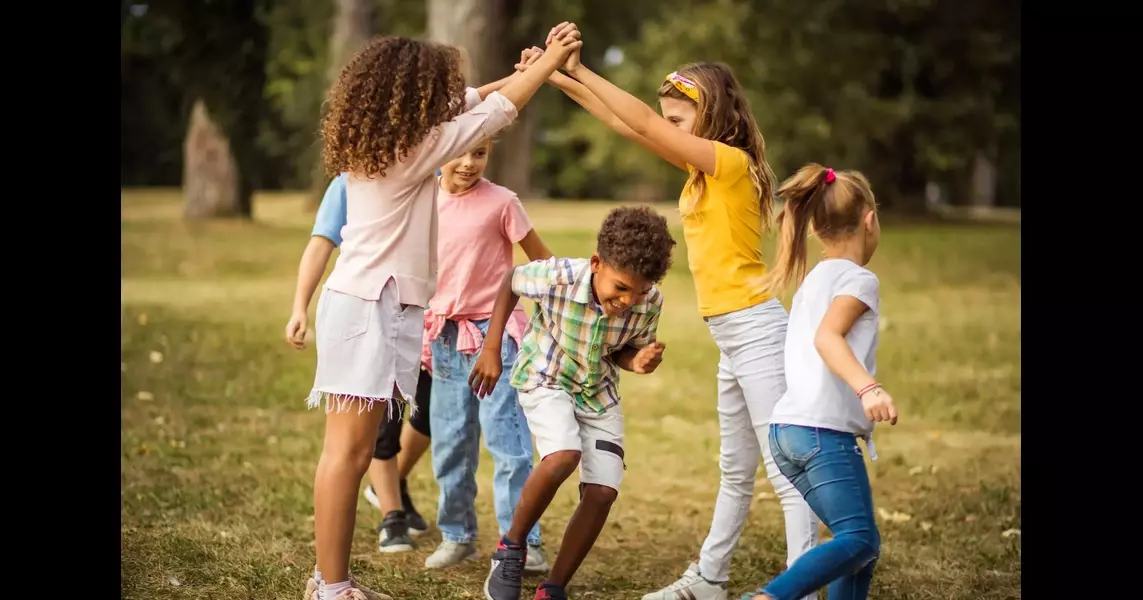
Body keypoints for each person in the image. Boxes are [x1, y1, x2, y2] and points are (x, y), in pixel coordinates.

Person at [525, 34, 820, 600]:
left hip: (756, 329)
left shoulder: (730, 163)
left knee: (785, 473)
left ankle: (800, 587)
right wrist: (557, 79)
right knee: (736, 471)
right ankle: (710, 579)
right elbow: (629, 126)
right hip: (734, 335)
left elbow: (638, 119)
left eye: (678, 120)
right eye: (668, 120)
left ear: (709, 115)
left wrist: (581, 66)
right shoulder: (702, 170)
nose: (667, 127)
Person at [302, 27, 583, 600]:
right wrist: (552, 60)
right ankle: (331, 587)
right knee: (347, 453)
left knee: (350, 452)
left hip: (372, 305)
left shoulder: (388, 139)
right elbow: (498, 109)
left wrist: (533, 70)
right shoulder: (413, 151)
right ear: (413, 99)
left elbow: (480, 98)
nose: (449, 100)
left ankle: (329, 581)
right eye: (437, 92)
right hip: (368, 308)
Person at [471, 205, 677, 600]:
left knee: (602, 492)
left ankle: (553, 588)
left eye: (640, 290)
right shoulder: (559, 276)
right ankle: (511, 548)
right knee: (563, 454)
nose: (629, 300)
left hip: (597, 392)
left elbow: (622, 351)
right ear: (597, 263)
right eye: (621, 288)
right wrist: (492, 347)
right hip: (546, 376)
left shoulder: (650, 301)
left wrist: (637, 361)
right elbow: (511, 280)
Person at [737, 164, 896, 600]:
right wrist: (869, 387)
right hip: (822, 436)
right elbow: (829, 338)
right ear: (869, 220)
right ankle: (769, 597)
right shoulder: (860, 280)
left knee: (859, 545)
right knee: (858, 539)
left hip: (787, 433)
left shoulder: (813, 280)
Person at [421, 135, 555, 573]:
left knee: (508, 444)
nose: (468, 163)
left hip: (495, 337)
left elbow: (541, 263)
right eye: (460, 151)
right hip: (443, 336)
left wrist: (556, 319)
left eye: (479, 153)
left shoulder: (502, 202)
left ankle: (523, 542)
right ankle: (457, 535)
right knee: (450, 443)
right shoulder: (421, 199)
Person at [286, 173, 433, 553]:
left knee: (413, 420)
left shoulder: (431, 175)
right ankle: (390, 515)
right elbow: (321, 244)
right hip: (366, 315)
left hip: (417, 320)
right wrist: (300, 305)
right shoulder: (348, 183)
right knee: (363, 437)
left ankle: (390, 500)